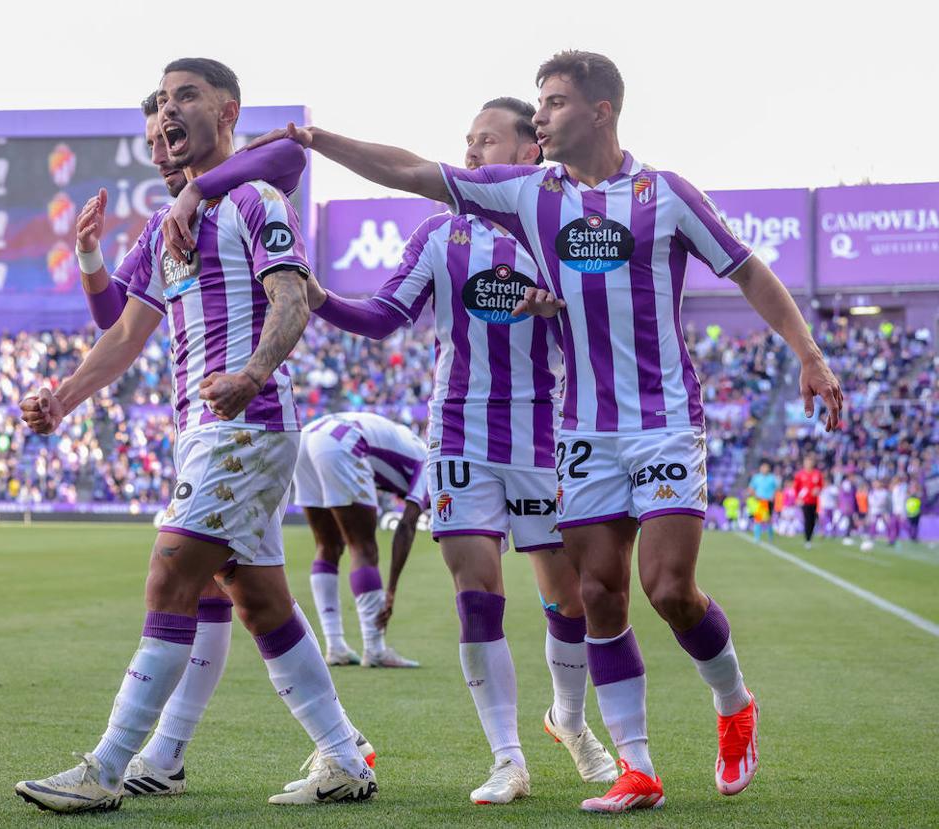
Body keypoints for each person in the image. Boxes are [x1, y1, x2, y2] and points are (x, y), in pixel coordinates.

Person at [228, 49, 843, 813]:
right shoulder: (526, 195)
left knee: (669, 587)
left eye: (552, 102)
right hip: (577, 429)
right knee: (597, 591)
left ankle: (732, 702)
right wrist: (321, 141)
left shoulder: (666, 194)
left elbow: (750, 270)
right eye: (538, 103)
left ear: (600, 111)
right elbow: (413, 172)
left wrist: (809, 354)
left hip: (660, 420)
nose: (541, 113)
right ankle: (635, 766)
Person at [171, 97, 618, 803]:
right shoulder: (441, 236)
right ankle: (507, 757)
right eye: (466, 141)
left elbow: (602, 331)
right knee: (479, 595)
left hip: (542, 436)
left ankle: (569, 719)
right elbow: (383, 318)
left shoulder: (560, 231)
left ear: (530, 151)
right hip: (459, 436)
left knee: (568, 599)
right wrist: (319, 297)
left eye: (487, 140)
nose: (470, 152)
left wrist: (558, 308)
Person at [15, 58, 376, 812]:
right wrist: (64, 399)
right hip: (201, 432)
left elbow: (290, 301)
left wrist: (248, 376)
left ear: (227, 110)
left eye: (185, 97)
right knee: (259, 601)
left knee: (170, 578)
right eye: (157, 110)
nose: (167, 117)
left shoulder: (253, 196)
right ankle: (344, 756)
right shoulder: (163, 227)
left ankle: (108, 767)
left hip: (240, 426)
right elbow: (122, 335)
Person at [294, 411, 425, 668]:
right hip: (344, 442)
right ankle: (375, 649)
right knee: (363, 547)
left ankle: (335, 646)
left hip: (306, 439)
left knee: (327, 546)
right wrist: (391, 590)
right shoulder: (433, 464)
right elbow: (406, 526)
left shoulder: (412, 445)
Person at [748, 462, 778, 543]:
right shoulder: (756, 478)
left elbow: (777, 489)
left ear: (768, 468)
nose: (764, 469)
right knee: (758, 520)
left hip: (769, 501)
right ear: (760, 468)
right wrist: (755, 495)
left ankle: (770, 538)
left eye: (766, 467)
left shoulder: (772, 478)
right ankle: (757, 538)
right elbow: (750, 488)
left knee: (769, 520)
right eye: (763, 467)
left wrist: (773, 496)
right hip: (760, 501)